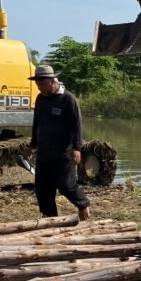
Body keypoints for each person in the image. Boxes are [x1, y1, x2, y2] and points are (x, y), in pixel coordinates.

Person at [28, 64, 91, 221]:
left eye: (42, 84)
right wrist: (33, 145)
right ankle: (49, 218)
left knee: (66, 186)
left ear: (52, 81)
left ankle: (83, 205)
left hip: (63, 153)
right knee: (42, 189)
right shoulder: (40, 99)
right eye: (37, 84)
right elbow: (37, 123)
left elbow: (77, 125)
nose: (39, 87)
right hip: (44, 153)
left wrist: (77, 148)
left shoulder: (68, 99)